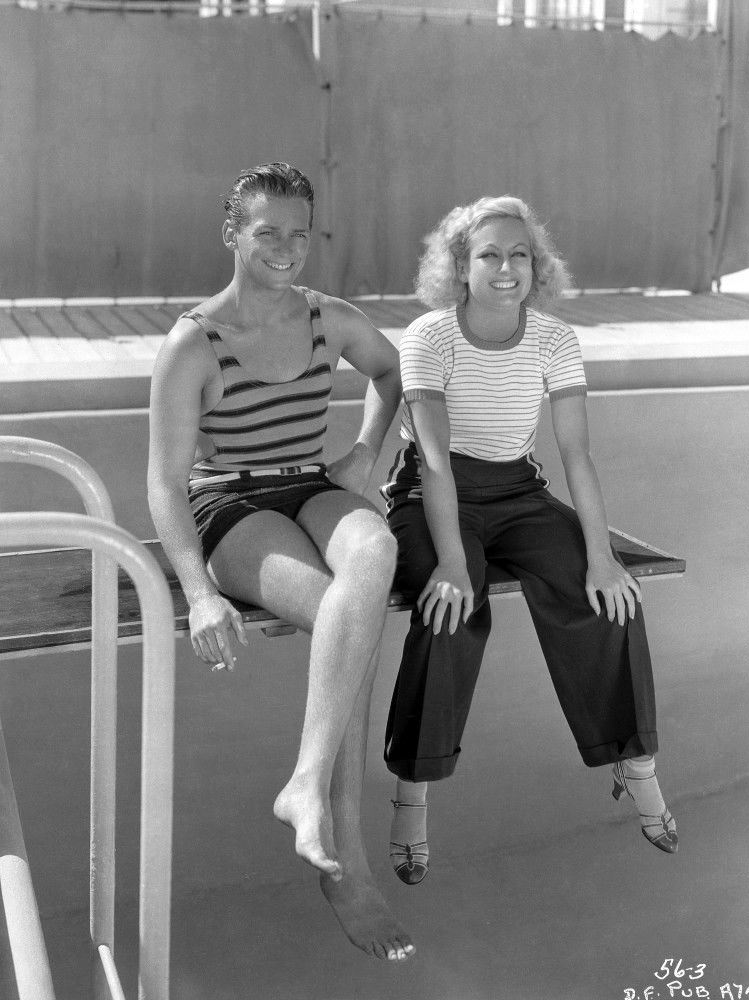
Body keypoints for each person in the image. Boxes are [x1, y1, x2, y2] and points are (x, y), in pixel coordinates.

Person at [147, 162, 414, 960]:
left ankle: (305, 785)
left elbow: (394, 369)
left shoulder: (326, 319)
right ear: (232, 233)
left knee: (374, 550)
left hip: (308, 483)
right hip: (226, 502)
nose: (288, 249)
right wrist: (199, 592)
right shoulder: (194, 343)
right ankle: (348, 865)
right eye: (269, 233)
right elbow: (162, 483)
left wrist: (365, 451)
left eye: (300, 234)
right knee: (353, 618)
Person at [381, 196, 677, 886]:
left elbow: (575, 454)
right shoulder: (428, 336)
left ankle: (634, 766)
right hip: (431, 495)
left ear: (535, 265)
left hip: (519, 494)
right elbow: (431, 459)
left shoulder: (552, 339)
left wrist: (601, 558)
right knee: (453, 611)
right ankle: (411, 793)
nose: (506, 267)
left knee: (610, 599)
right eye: (488, 253)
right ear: (459, 266)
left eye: (519, 254)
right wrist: (453, 563)